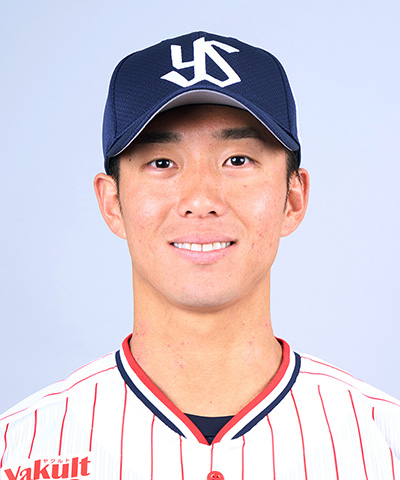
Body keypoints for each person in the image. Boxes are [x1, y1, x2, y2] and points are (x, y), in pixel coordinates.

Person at [0, 31, 399, 480]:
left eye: (238, 160)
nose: (201, 200)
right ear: (112, 203)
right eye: (162, 163)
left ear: (293, 198)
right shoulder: (17, 449)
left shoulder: (386, 442)